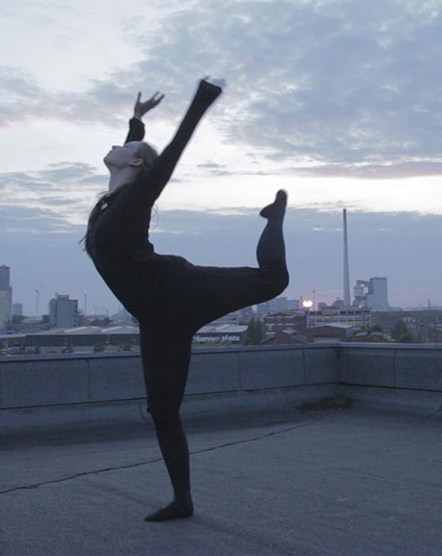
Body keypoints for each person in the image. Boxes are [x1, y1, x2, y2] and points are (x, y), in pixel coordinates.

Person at [85, 78, 289, 522]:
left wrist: (200, 103)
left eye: (127, 148)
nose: (114, 148)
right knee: (162, 409)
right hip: (157, 320)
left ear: (136, 164)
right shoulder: (114, 199)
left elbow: (167, 156)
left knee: (274, 280)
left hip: (178, 290)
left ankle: (275, 216)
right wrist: (137, 121)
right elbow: (133, 156)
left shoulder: (133, 198)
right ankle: (183, 500)